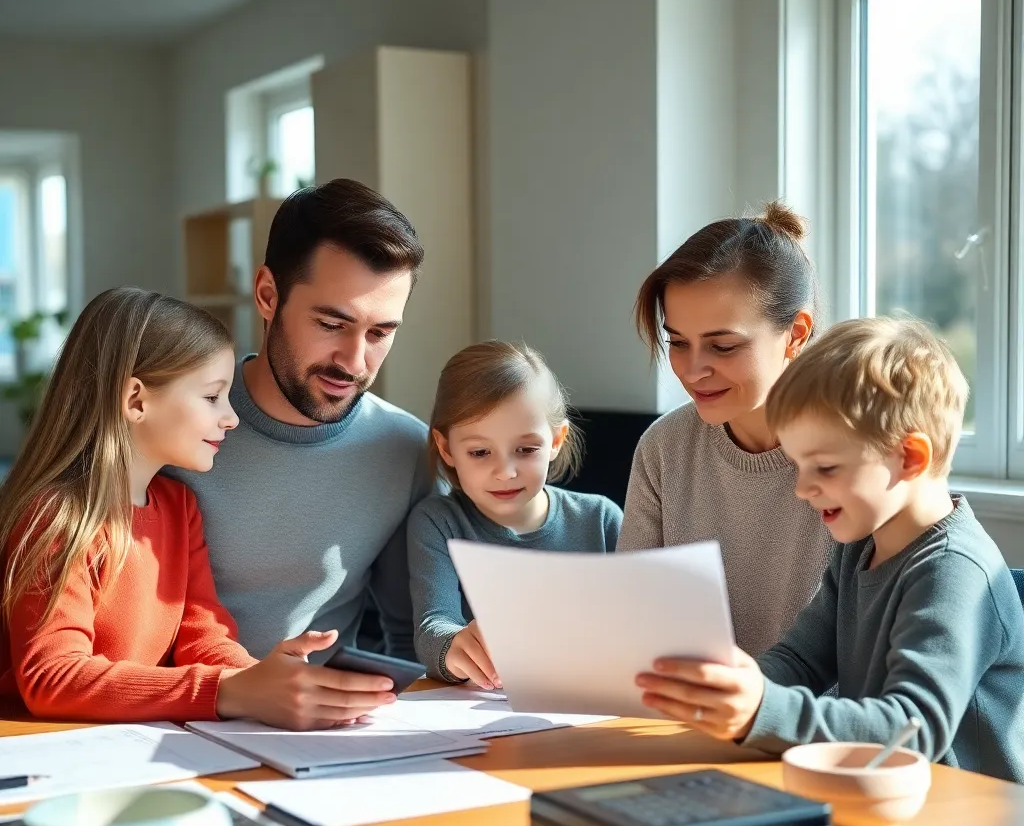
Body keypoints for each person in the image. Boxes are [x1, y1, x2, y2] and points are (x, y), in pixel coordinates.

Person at [636, 317, 1024, 783]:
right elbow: (802, 660)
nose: (802, 489)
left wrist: (762, 708)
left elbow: (913, 731)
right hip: (885, 796)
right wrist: (736, 689)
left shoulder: (954, 573)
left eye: (824, 467)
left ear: (910, 458)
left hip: (966, 819)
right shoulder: (858, 549)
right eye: (798, 465)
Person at [0, 287, 390, 729]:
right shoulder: (57, 516)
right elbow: (53, 677)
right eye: (211, 397)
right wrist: (228, 691)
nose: (231, 417)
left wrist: (267, 681)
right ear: (136, 400)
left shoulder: (179, 506)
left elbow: (202, 635)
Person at [168, 179, 432, 722]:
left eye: (380, 333)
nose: (355, 362)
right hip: (168, 723)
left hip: (321, 735)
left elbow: (415, 637)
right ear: (268, 294)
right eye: (331, 324)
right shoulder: (172, 430)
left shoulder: (407, 450)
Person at [619, 202, 833, 657]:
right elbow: (633, 619)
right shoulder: (665, 447)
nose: (692, 370)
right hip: (685, 717)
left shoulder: (855, 456)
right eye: (677, 342)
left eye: (722, 345)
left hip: (817, 723)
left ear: (795, 334)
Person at [408, 341, 622, 686]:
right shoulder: (438, 521)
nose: (505, 472)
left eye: (525, 449)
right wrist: (455, 646)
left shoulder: (601, 519)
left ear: (556, 441)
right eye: (480, 452)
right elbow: (434, 626)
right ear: (446, 448)